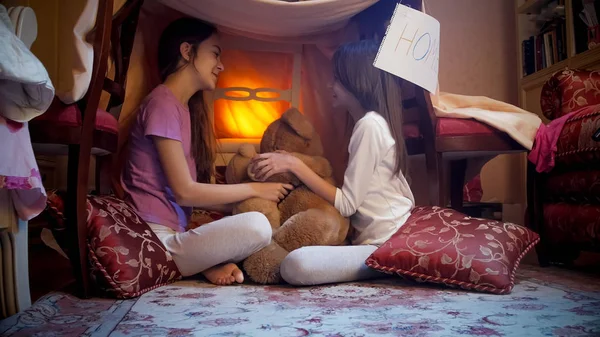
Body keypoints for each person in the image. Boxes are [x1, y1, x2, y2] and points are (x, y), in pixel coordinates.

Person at [120, 17, 293, 286]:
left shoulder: (182, 109)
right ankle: (191, 264)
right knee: (256, 226)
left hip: (174, 232)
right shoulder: (161, 103)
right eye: (215, 53)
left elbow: (190, 198)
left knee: (256, 218)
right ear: (187, 51)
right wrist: (254, 190)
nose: (221, 65)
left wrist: (253, 203)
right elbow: (185, 192)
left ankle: (198, 262)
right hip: (152, 236)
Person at [250, 39, 415, 286]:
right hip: (379, 240)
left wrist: (293, 164)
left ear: (357, 81)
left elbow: (347, 204)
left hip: (384, 243)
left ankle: (388, 267)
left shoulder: (370, 125)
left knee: (296, 266)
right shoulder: (373, 124)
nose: (330, 84)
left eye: (337, 78)